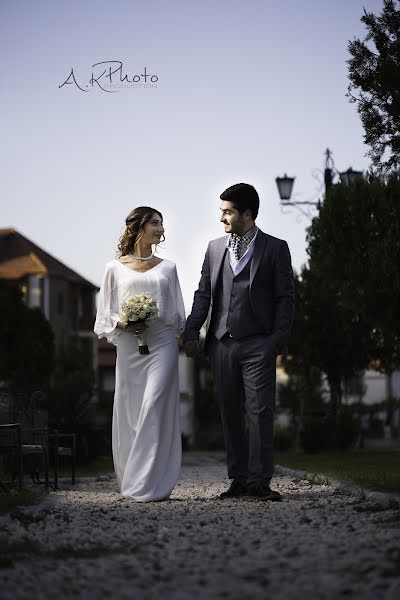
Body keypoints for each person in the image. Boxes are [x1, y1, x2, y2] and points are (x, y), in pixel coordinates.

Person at [184, 183, 294, 500]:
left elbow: (285, 298)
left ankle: (259, 480)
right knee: (230, 413)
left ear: (246, 214)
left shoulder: (275, 248)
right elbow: (203, 294)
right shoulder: (214, 248)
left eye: (227, 211)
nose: (221, 217)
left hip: (259, 342)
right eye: (221, 211)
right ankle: (239, 479)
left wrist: (276, 339)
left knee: (260, 412)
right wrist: (193, 331)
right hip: (221, 343)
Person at [94, 207, 185, 502]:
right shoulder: (113, 268)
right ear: (139, 227)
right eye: (155, 223)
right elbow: (104, 316)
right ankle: (134, 477)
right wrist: (124, 321)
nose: (161, 229)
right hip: (130, 347)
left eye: (162, 223)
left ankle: (147, 482)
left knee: (154, 405)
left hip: (162, 344)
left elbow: (176, 314)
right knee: (131, 413)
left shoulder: (169, 268)